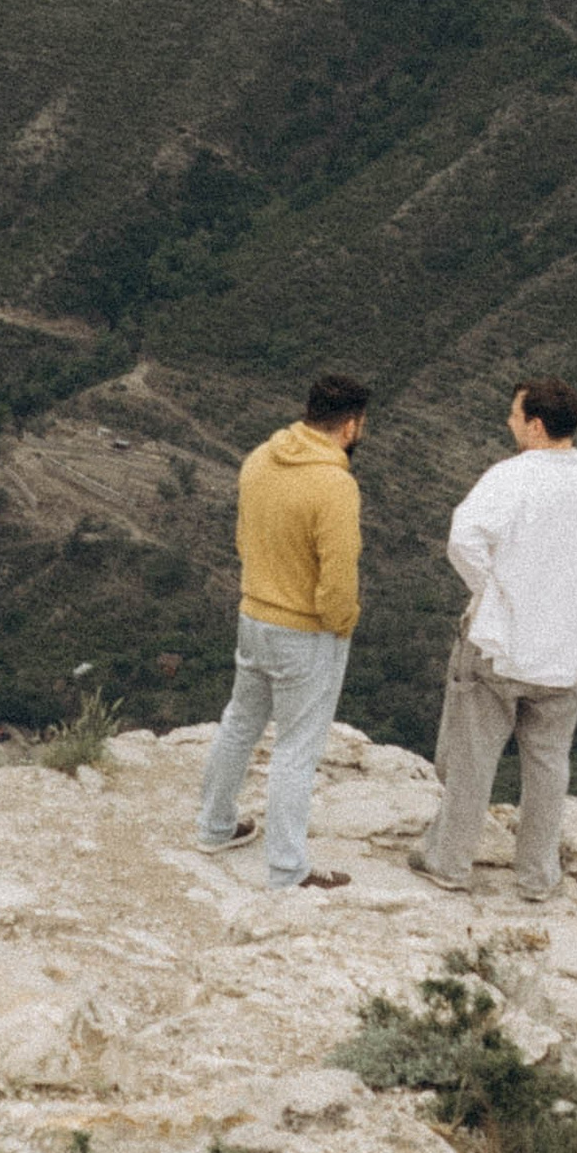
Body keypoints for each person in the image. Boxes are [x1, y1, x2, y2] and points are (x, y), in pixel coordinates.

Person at [411, 378, 577, 901]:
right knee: (549, 763)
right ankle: (537, 876)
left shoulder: (511, 478)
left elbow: (463, 538)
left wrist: (494, 591)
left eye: (514, 415)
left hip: (499, 643)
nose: (509, 423)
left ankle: (449, 862)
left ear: (535, 425)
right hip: (568, 651)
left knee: (471, 757)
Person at [194, 371, 369, 893]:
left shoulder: (259, 459)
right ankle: (288, 870)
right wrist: (342, 624)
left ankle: (214, 826)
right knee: (297, 750)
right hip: (306, 631)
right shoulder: (335, 485)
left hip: (255, 614)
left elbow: (244, 540)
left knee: (240, 722)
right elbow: (339, 576)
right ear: (351, 427)